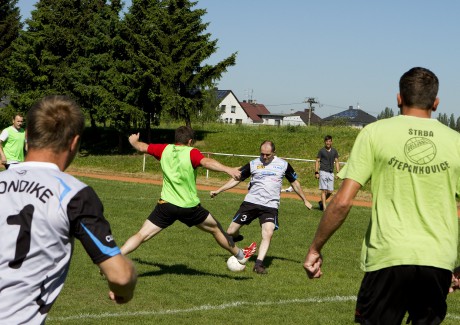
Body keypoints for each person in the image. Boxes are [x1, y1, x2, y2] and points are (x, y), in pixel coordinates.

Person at [304, 67, 460, 324]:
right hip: (437, 261)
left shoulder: (374, 133)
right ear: (436, 102)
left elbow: (342, 202)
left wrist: (315, 249)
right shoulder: (455, 142)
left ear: (398, 99)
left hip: (387, 258)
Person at [0, 95, 137, 324]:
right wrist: (126, 290)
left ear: (27, 137)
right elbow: (120, 276)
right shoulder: (74, 195)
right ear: (74, 142)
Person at [120, 127, 257, 268]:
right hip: (189, 207)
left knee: (141, 235)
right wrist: (228, 169)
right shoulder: (192, 152)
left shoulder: (164, 149)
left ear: (176, 139)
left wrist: (134, 141)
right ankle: (240, 255)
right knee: (216, 229)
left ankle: (114, 259)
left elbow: (143, 147)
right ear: (190, 141)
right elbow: (206, 162)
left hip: (166, 205)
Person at [211, 140, 312, 274]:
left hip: (270, 205)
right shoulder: (253, 164)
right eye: (262, 154)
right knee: (230, 232)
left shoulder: (283, 165)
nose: (264, 157)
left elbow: (295, 183)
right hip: (251, 203)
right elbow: (236, 178)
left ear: (274, 153)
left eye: (267, 155)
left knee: (268, 232)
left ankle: (258, 264)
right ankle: (236, 237)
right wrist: (219, 190)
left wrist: (304, 199)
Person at [315, 135, 340, 211]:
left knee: (330, 191)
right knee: (323, 190)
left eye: (329, 141)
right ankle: (324, 208)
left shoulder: (334, 151)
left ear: (331, 142)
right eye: (327, 141)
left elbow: (337, 161)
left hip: (331, 173)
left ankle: (321, 202)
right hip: (323, 172)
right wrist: (316, 172)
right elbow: (317, 161)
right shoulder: (321, 151)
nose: (328, 143)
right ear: (324, 142)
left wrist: (338, 172)